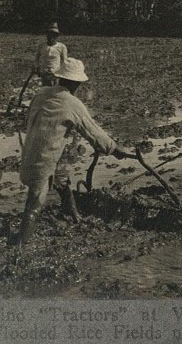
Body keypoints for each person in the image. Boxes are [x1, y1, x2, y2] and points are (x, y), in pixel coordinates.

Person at [17, 57, 131, 247]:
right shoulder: (72, 103)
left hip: (30, 153)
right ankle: (20, 246)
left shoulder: (41, 93)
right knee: (34, 206)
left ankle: (74, 215)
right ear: (76, 83)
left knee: (62, 179)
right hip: (43, 161)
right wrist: (114, 149)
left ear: (60, 78)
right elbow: (93, 131)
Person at [35, 21, 68, 86]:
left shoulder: (61, 47)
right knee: (46, 90)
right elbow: (37, 58)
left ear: (56, 36)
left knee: (55, 91)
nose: (50, 36)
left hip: (55, 73)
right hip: (44, 73)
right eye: (48, 34)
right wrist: (37, 68)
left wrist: (61, 73)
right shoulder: (42, 46)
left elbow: (65, 61)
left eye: (53, 35)